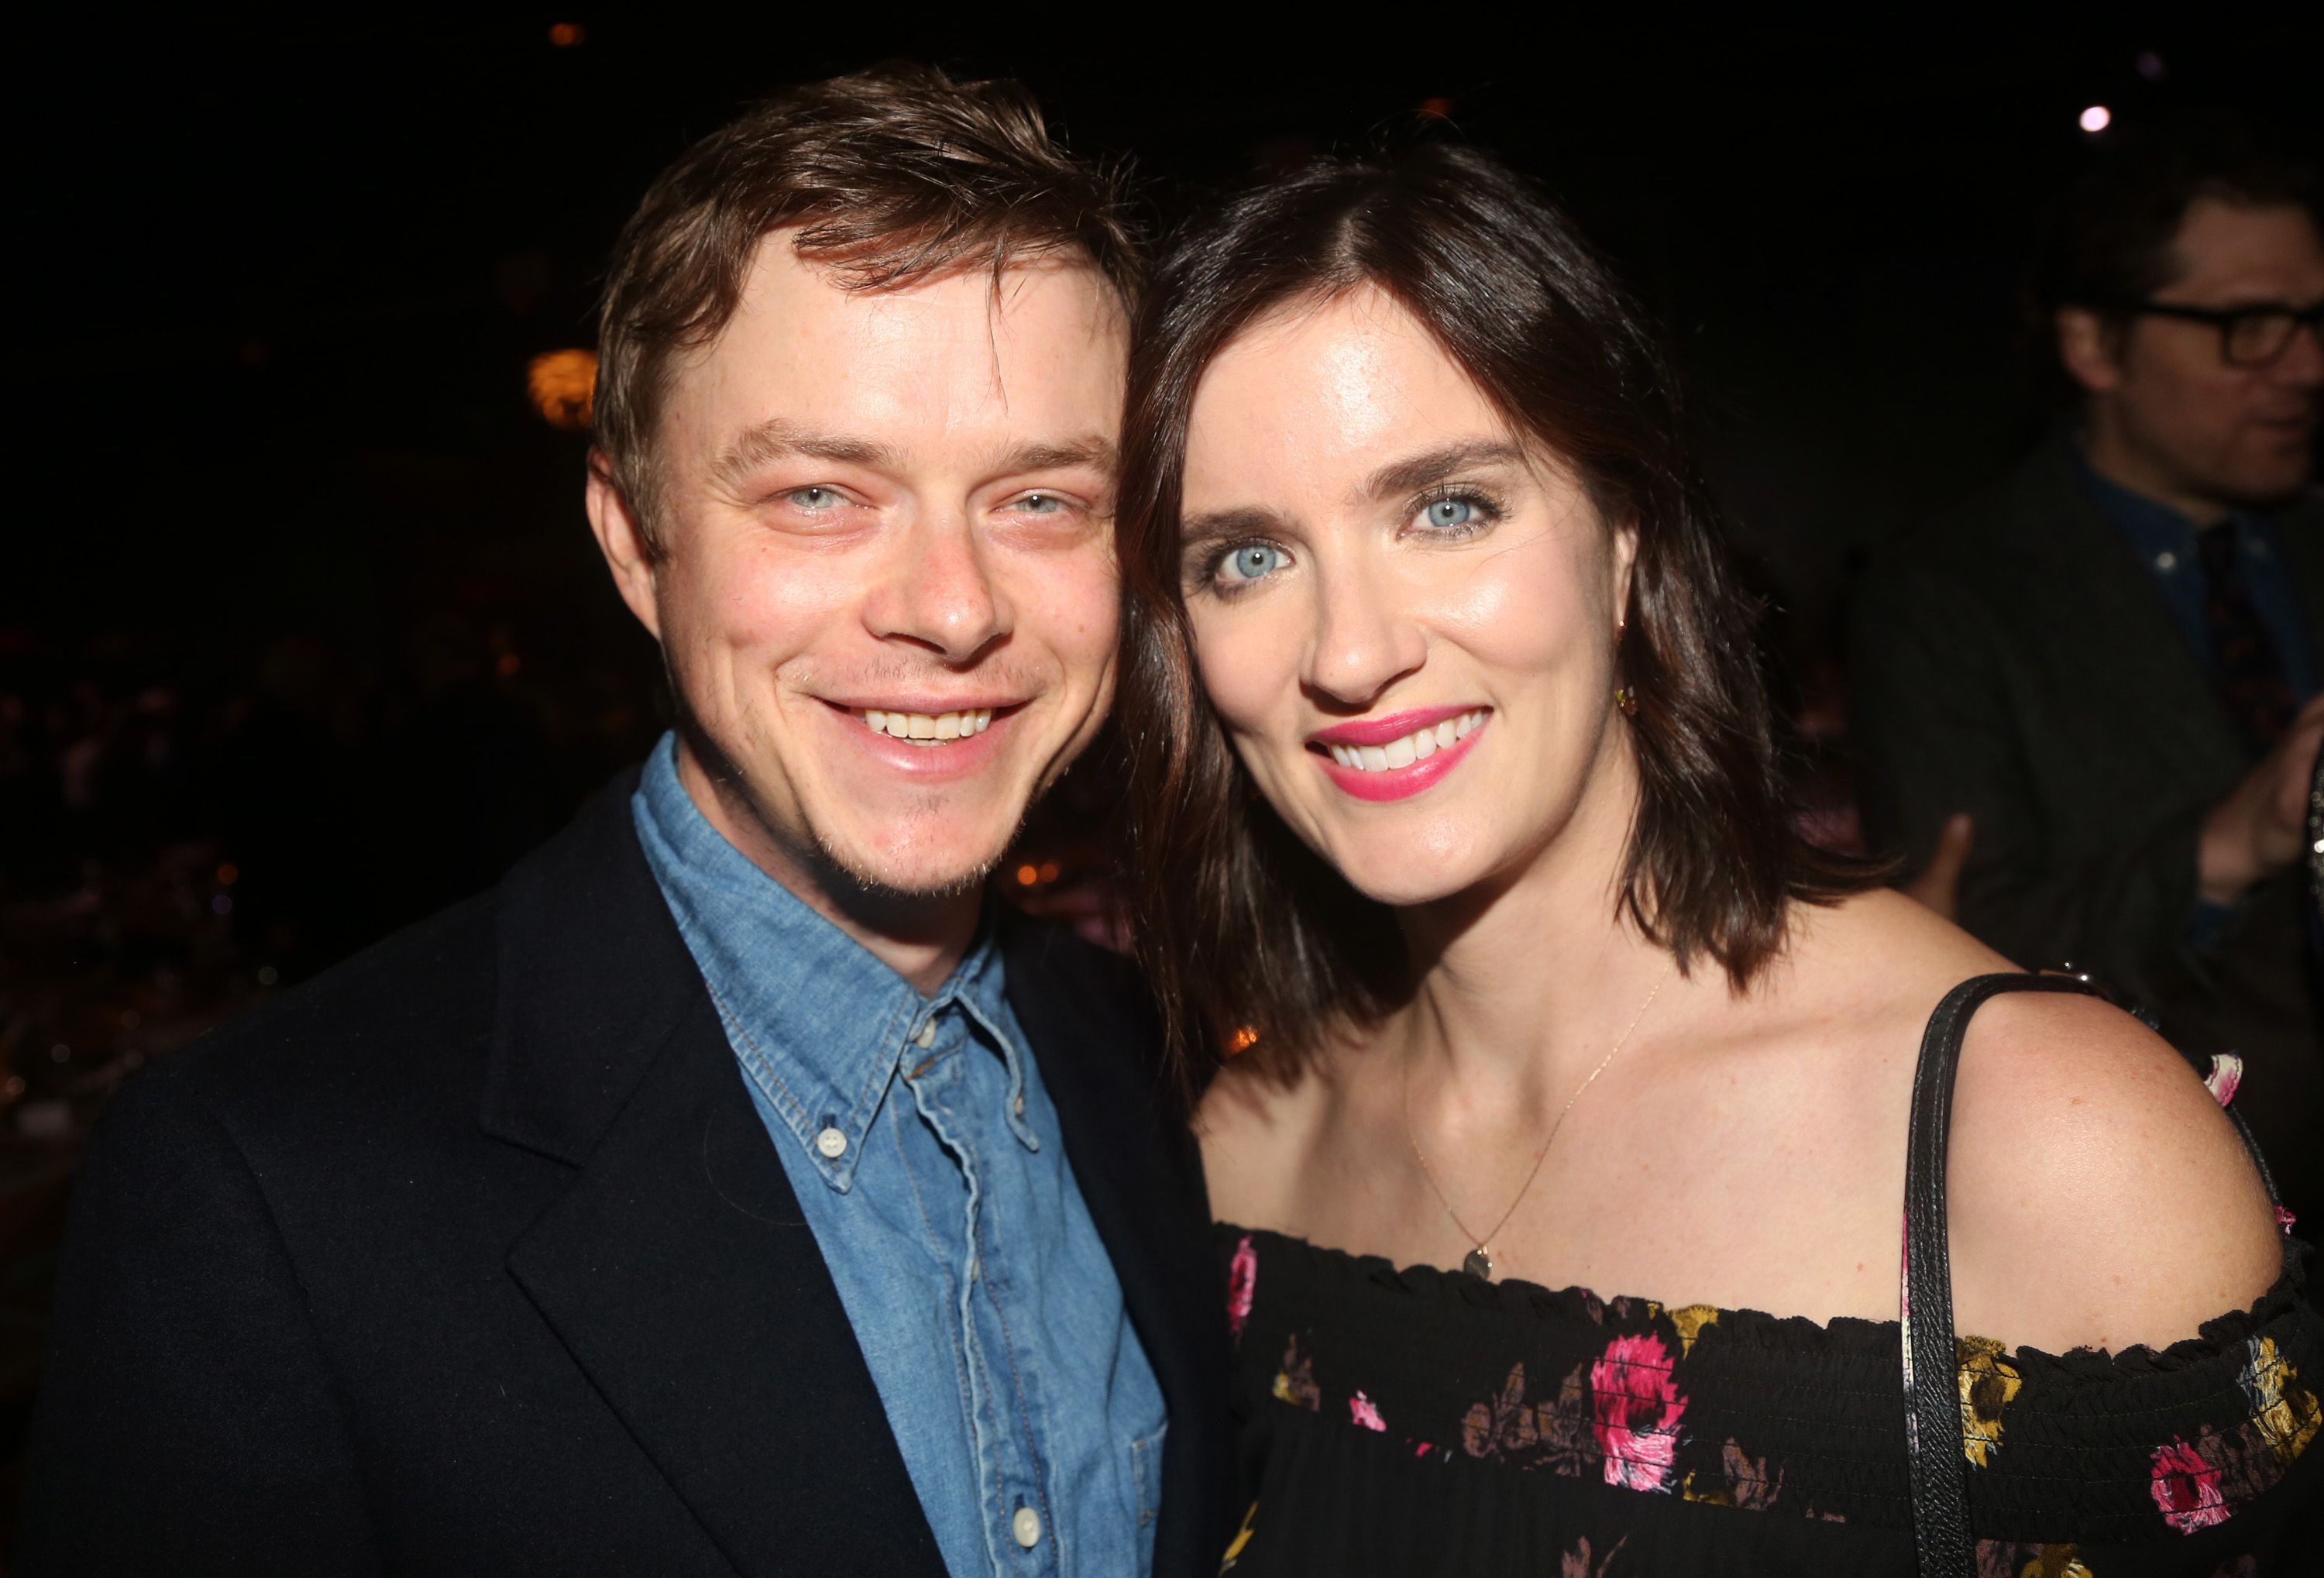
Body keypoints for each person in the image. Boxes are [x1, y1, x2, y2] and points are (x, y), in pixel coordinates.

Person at [20, 66, 1233, 1576]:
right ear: (634, 539)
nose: (953, 604)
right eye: (817, 494)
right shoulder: (264, 1186)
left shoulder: (1156, 1053)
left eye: (1040, 500)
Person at [1112, 144, 2322, 1573]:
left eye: (1449, 508)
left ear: (1623, 542)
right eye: (1246, 557)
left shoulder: (2046, 1145)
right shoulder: (1248, 1143)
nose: (1353, 650)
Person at [1848, 129, 2324, 1243]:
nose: (2305, 368)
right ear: (2094, 345)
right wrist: (2228, 841)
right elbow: (1963, 944)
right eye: (2247, 327)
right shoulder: (1945, 595)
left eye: (2314, 324)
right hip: (2167, 1212)